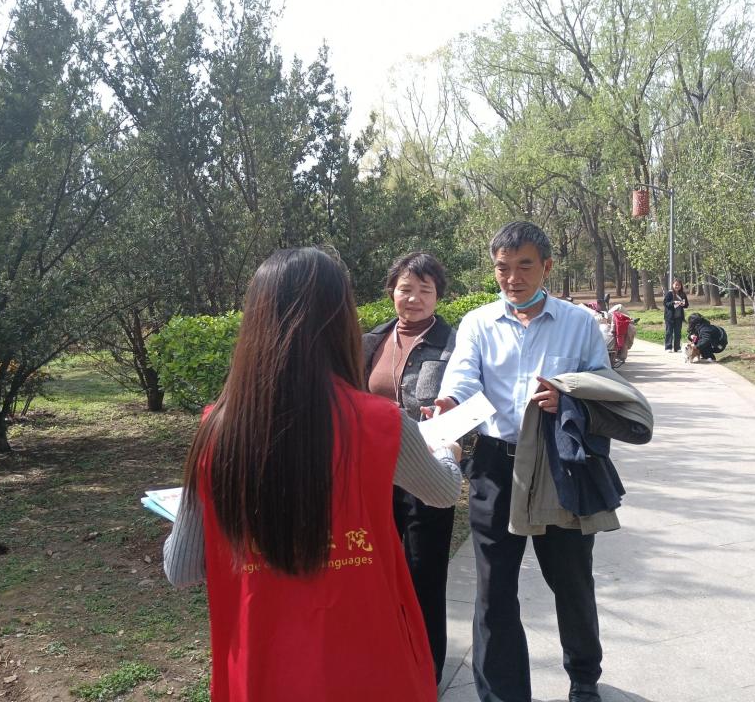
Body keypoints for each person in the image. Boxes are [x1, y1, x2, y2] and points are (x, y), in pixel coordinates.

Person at [162, 247, 462, 702]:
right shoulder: (380, 423)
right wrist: (448, 453)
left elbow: (181, 569)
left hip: (264, 672)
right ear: (340, 321)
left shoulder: (218, 431)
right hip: (367, 666)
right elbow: (442, 492)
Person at [425, 221, 612, 702]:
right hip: (494, 467)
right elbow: (464, 378)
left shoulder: (578, 323)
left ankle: (584, 678)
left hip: (558, 465)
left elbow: (604, 389)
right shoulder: (478, 323)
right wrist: (448, 403)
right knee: (494, 589)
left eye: (524, 266)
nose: (512, 278)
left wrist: (570, 401)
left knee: (571, 579)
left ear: (546, 267)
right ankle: (503, 694)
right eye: (502, 268)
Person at [362, 251, 456, 685]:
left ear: (438, 295)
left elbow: (469, 398)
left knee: (424, 576)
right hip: (373, 474)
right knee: (376, 572)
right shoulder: (370, 342)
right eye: (405, 289)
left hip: (425, 474)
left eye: (424, 290)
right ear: (391, 292)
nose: (414, 298)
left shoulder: (454, 344)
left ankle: (427, 672)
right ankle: (386, 663)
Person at [663, 278, 689, 352]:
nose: (677, 286)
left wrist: (683, 304)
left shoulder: (682, 294)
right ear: (673, 285)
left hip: (679, 317)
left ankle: (677, 348)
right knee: (669, 332)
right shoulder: (669, 293)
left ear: (681, 286)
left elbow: (686, 304)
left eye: (679, 285)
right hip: (670, 317)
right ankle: (668, 347)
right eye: (676, 285)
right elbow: (665, 304)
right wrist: (674, 302)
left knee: (678, 333)